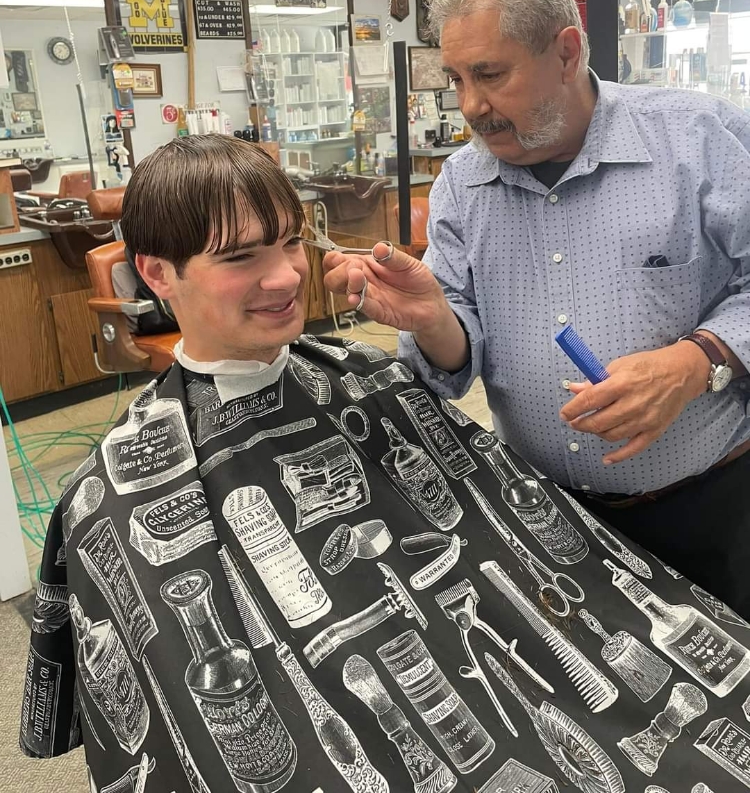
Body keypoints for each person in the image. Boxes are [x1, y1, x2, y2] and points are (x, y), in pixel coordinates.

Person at [21, 135, 750, 793]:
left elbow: (497, 528)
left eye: (287, 244)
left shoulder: (365, 377)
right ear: (158, 273)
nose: (283, 279)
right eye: (242, 258)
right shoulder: (113, 492)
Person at [324, 0, 750, 617]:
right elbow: (457, 356)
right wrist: (435, 319)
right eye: (457, 79)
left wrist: (695, 362)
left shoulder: (698, 141)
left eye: (490, 74)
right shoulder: (464, 185)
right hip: (549, 515)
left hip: (711, 513)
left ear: (567, 51)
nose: (471, 106)